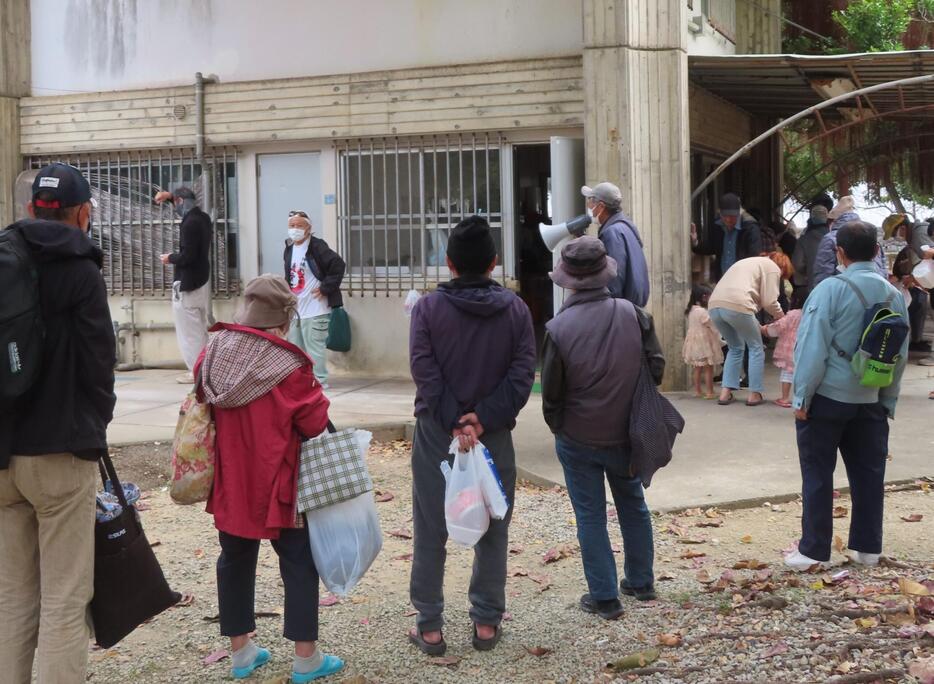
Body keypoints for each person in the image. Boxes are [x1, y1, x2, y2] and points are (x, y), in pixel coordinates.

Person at [0, 163, 116, 683]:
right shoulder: (82, 270)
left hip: (3, 459)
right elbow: (98, 364)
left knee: (12, 597)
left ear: (30, 210)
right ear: (84, 214)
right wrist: (93, 429)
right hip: (62, 454)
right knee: (65, 600)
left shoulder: (4, 258)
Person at [196, 274, 343, 682]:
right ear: (282, 321)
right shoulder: (289, 366)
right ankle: (305, 659)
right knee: (298, 561)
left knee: (234, 558)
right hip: (281, 482)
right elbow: (314, 423)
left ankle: (242, 653)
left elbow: (200, 394)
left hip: (230, 480)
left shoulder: (213, 351)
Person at [408, 215, 535, 655]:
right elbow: (522, 376)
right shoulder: (516, 310)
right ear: (494, 263)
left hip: (435, 435)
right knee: (494, 525)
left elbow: (425, 373)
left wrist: (455, 422)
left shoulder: (427, 309)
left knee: (430, 527)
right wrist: (481, 421)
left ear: (449, 263)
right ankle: (485, 621)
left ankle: (429, 626)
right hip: (494, 435)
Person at [541, 237, 664, 620]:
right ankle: (641, 582)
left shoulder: (558, 328)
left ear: (569, 280)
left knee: (590, 514)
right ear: (605, 273)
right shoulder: (636, 315)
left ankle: (605, 597)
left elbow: (551, 394)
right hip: (627, 431)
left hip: (578, 436)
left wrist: (559, 426)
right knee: (633, 504)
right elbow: (656, 368)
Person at [785, 221, 909, 571]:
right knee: (870, 475)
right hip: (871, 398)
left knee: (819, 474)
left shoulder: (829, 290)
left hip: (827, 398)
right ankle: (867, 548)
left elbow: (811, 349)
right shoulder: (893, 294)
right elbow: (897, 355)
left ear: (839, 252)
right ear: (875, 252)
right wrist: (888, 399)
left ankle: (814, 551)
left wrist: (801, 398)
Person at [708, 253, 789, 406]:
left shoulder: (747, 261)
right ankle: (754, 394)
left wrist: (756, 323)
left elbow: (749, 303)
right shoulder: (772, 267)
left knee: (735, 347)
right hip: (738, 305)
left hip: (715, 305)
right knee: (756, 347)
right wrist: (781, 316)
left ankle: (725, 393)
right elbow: (769, 301)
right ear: (782, 267)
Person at [283, 210, 346, 388]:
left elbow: (338, 265)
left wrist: (326, 288)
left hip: (316, 308)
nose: (295, 229)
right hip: (297, 309)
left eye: (299, 226)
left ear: (309, 228)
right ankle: (301, 381)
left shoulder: (317, 247)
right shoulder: (289, 249)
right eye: (292, 226)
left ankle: (319, 381)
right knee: (296, 348)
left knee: (315, 347)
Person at [156, 187, 213, 384]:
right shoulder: (204, 218)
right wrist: (170, 196)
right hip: (201, 281)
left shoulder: (189, 223)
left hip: (188, 284)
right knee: (200, 329)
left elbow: (188, 256)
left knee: (189, 332)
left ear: (180, 201)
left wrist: (169, 258)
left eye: (176, 203)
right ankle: (205, 368)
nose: (176, 208)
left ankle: (195, 371)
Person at [581, 182, 650, 306]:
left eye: (591, 201)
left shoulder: (612, 233)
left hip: (622, 310)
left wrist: (607, 309)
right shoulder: (625, 227)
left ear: (601, 206)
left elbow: (614, 278)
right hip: (631, 308)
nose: (588, 205)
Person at [812, 197, 886, 287]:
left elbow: (823, 276)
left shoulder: (830, 239)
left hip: (843, 294)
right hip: (876, 291)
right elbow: (882, 270)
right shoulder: (870, 235)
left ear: (834, 220)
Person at [692, 193, 763, 282]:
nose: (728, 220)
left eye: (732, 216)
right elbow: (711, 247)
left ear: (739, 214)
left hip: (743, 281)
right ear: (720, 213)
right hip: (722, 280)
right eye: (725, 216)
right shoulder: (718, 226)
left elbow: (755, 257)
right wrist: (695, 242)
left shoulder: (750, 228)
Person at [762, 294, 804, 408]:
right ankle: (801, 400)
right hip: (804, 348)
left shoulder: (793, 314)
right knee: (803, 375)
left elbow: (779, 326)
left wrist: (766, 329)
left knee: (787, 373)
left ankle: (785, 398)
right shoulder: (811, 314)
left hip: (789, 349)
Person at [682, 284, 723, 399]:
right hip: (704, 343)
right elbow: (711, 325)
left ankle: (697, 391)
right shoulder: (702, 312)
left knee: (697, 368)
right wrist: (719, 334)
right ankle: (710, 392)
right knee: (709, 368)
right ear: (704, 297)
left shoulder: (691, 311)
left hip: (694, 344)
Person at [792, 205, 830, 296]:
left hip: (813, 286)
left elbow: (797, 263)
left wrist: (808, 272)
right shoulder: (836, 237)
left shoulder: (804, 239)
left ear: (811, 218)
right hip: (834, 287)